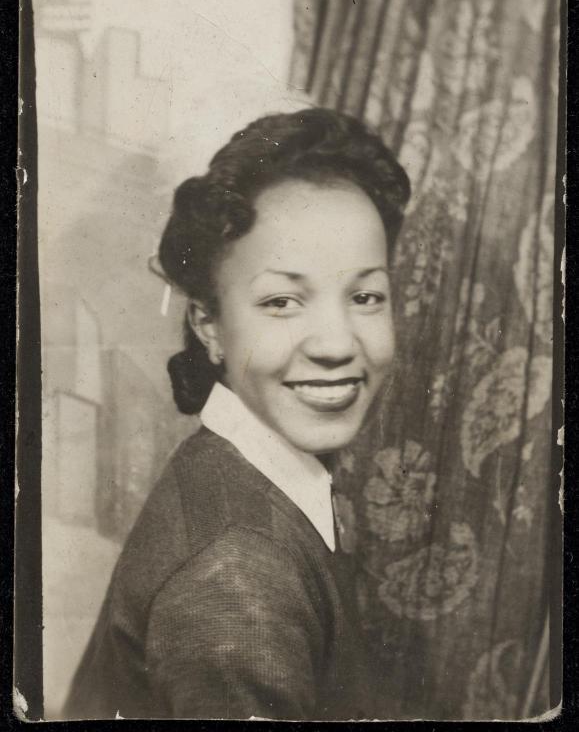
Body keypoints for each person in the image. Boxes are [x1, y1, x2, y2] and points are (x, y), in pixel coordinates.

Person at [63, 108, 410, 720]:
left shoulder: (248, 475)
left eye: (364, 296)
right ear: (209, 324)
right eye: (281, 301)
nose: (335, 343)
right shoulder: (236, 583)